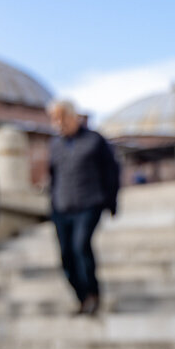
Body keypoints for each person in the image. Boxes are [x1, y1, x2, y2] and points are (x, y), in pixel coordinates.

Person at [47, 99, 120, 316]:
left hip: (89, 203)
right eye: (54, 119)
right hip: (62, 207)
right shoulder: (55, 145)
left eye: (63, 118)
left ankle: (94, 295)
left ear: (74, 117)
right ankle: (82, 298)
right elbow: (54, 176)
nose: (59, 123)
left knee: (80, 246)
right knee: (66, 256)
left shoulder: (95, 141)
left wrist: (111, 202)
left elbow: (111, 171)